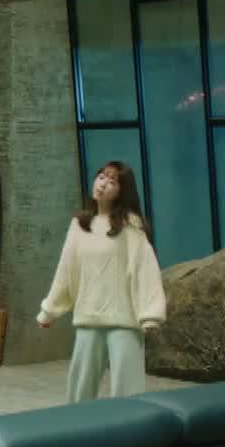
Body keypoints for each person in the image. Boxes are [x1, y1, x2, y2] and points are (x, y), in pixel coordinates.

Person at [37, 160, 167, 403]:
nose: (103, 183)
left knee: (128, 392)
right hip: (88, 319)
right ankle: (77, 427)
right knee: (79, 392)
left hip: (124, 322)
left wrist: (150, 314)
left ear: (122, 191)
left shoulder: (130, 226)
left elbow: (145, 268)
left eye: (112, 180)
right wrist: (49, 311)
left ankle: (130, 427)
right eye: (101, 177)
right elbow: (66, 272)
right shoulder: (79, 225)